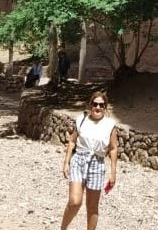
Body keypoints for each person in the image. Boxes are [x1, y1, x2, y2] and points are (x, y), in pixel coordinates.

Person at [60, 91, 118, 230]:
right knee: (74, 202)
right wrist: (66, 162)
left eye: (101, 105)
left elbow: (113, 148)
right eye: (95, 104)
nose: (98, 107)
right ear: (90, 105)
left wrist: (113, 172)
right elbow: (72, 141)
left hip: (97, 164)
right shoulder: (82, 120)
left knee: (92, 207)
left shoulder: (110, 125)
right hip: (79, 160)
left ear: (105, 107)